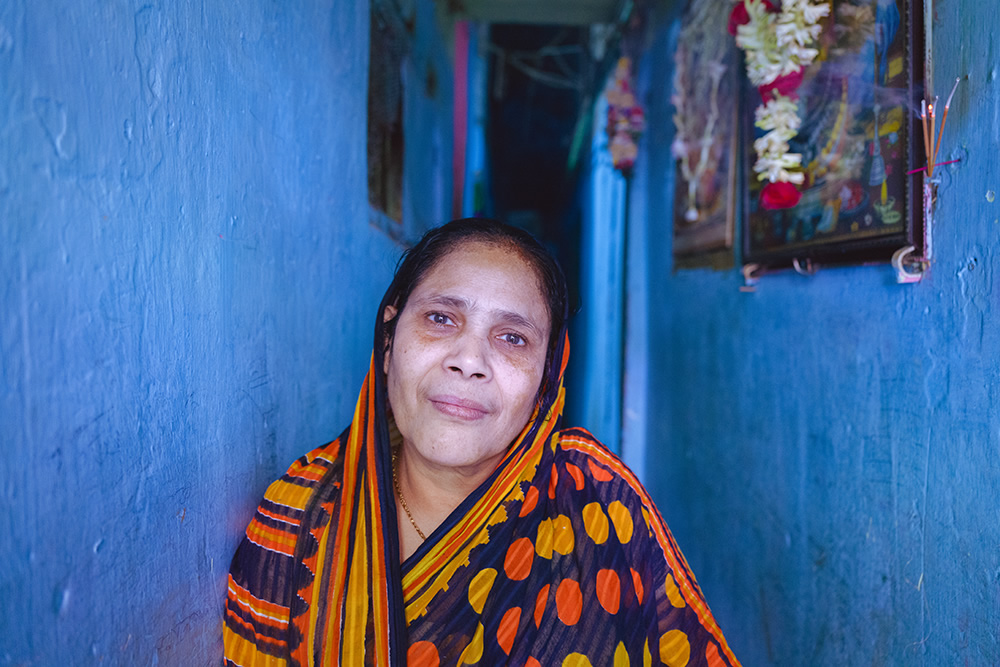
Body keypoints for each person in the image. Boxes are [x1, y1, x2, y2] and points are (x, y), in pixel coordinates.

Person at [223, 218, 740, 666]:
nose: (468, 360)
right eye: (441, 318)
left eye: (512, 337)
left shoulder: (597, 507)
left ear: (547, 379)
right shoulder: (295, 522)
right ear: (388, 340)